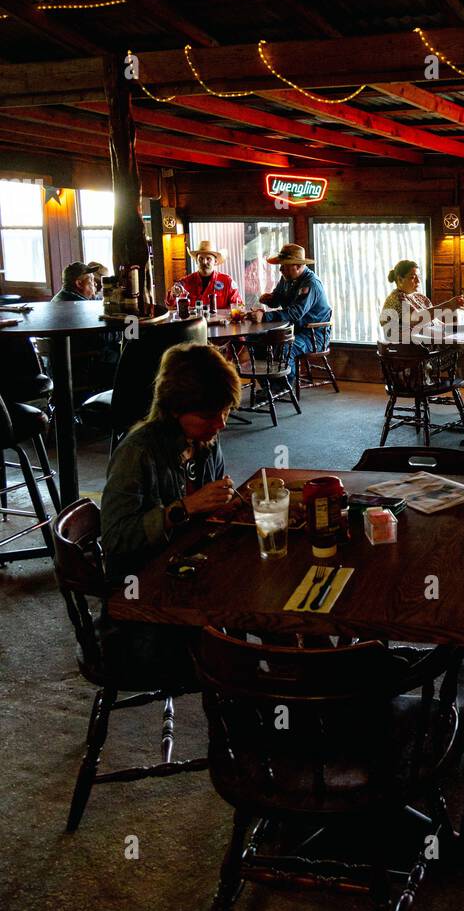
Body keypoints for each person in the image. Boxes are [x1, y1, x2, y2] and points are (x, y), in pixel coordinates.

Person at [99, 343, 241, 686]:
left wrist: (227, 505)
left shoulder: (205, 440)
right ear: (176, 409)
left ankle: (309, 692)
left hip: (188, 574)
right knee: (242, 644)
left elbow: (209, 515)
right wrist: (184, 509)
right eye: (209, 416)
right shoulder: (137, 453)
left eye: (225, 411)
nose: (220, 424)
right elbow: (116, 541)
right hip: (143, 605)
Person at [380, 259, 464, 414]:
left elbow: (436, 324)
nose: (418, 280)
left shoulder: (420, 298)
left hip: (428, 352)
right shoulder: (396, 299)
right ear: (399, 279)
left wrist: (460, 319)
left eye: (418, 276)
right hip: (414, 362)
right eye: (412, 276)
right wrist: (447, 305)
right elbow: (416, 318)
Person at [251, 243, 331, 379]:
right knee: (256, 340)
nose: (281, 269)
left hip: (312, 334)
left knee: (285, 348)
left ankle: (284, 385)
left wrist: (264, 318)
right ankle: (269, 384)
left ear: (298, 266)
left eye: (285, 265)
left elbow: (295, 313)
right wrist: (268, 299)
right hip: (293, 330)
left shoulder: (310, 284)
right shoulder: (287, 279)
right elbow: (277, 299)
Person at [166, 240, 241, 313]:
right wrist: (174, 293)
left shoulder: (227, 281)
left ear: (215, 261)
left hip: (221, 325)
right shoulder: (185, 282)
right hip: (194, 325)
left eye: (208, 259)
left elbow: (239, 306)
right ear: (196, 261)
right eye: (201, 259)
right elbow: (170, 304)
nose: (204, 262)